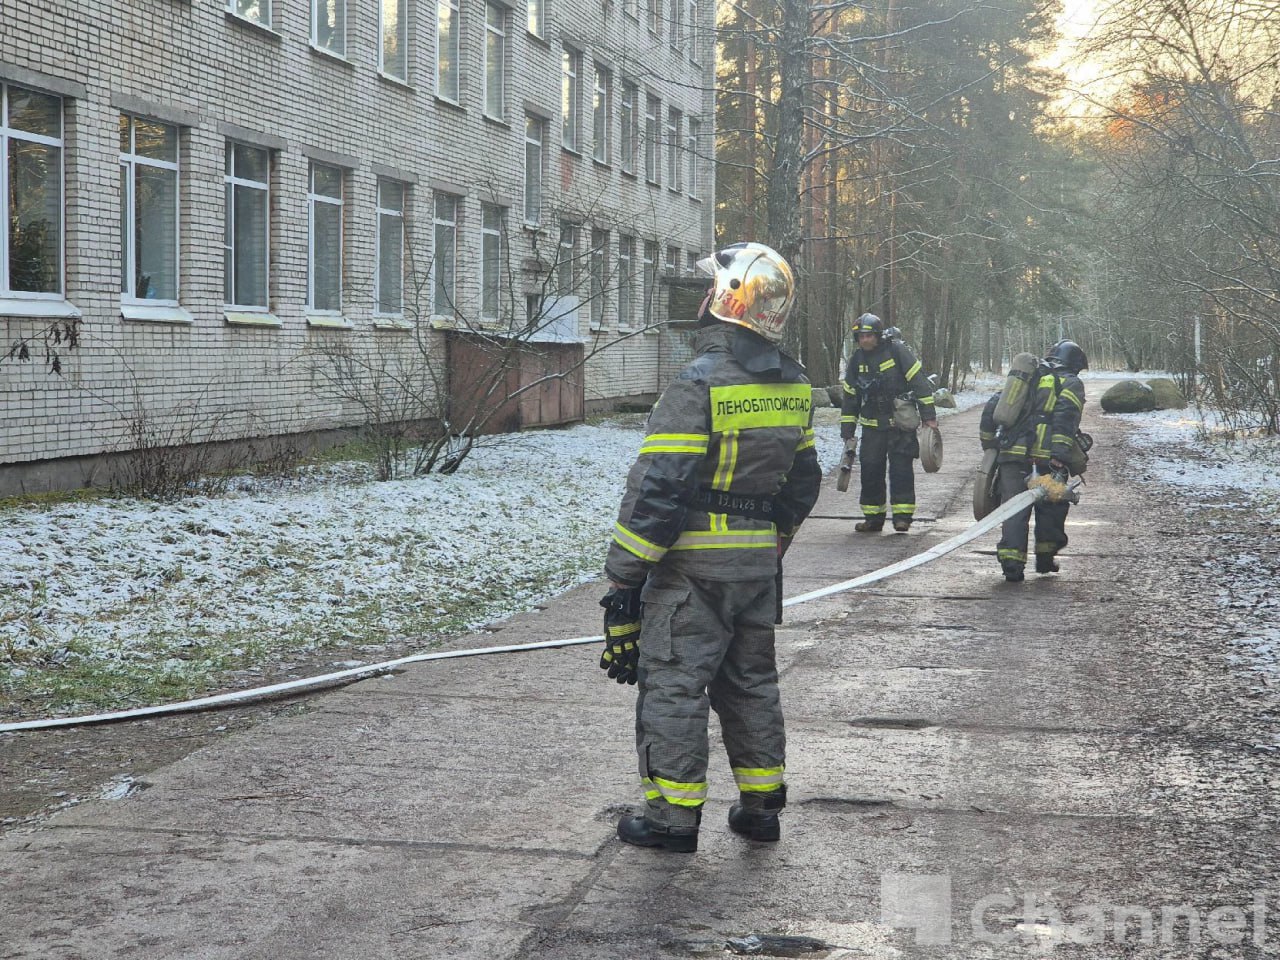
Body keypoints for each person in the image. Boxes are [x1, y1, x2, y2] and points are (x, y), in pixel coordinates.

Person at [600, 242, 822, 853]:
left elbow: (659, 488)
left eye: (710, 289)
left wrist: (623, 577)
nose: (702, 298)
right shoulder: (795, 384)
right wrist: (771, 545)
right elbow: (803, 482)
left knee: (674, 686)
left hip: (691, 574)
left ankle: (672, 820)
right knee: (751, 684)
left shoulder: (697, 382)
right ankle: (761, 808)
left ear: (728, 299)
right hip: (755, 571)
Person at [979, 339, 1088, 582]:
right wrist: (1059, 456)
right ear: (1074, 364)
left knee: (1013, 509)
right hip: (1045, 458)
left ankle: (1011, 565)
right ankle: (1045, 559)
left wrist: (990, 446)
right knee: (1051, 508)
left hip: (1011, 456)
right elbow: (1066, 419)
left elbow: (993, 407)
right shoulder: (1070, 382)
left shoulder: (1027, 377)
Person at [839, 313, 937, 532]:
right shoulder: (856, 360)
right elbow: (850, 397)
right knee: (870, 471)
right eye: (861, 337)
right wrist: (848, 429)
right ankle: (873, 518)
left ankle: (903, 518)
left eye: (869, 336)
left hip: (899, 425)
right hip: (872, 427)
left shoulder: (897, 352)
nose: (865, 340)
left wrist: (929, 417)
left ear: (877, 335)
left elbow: (920, 383)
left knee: (901, 471)